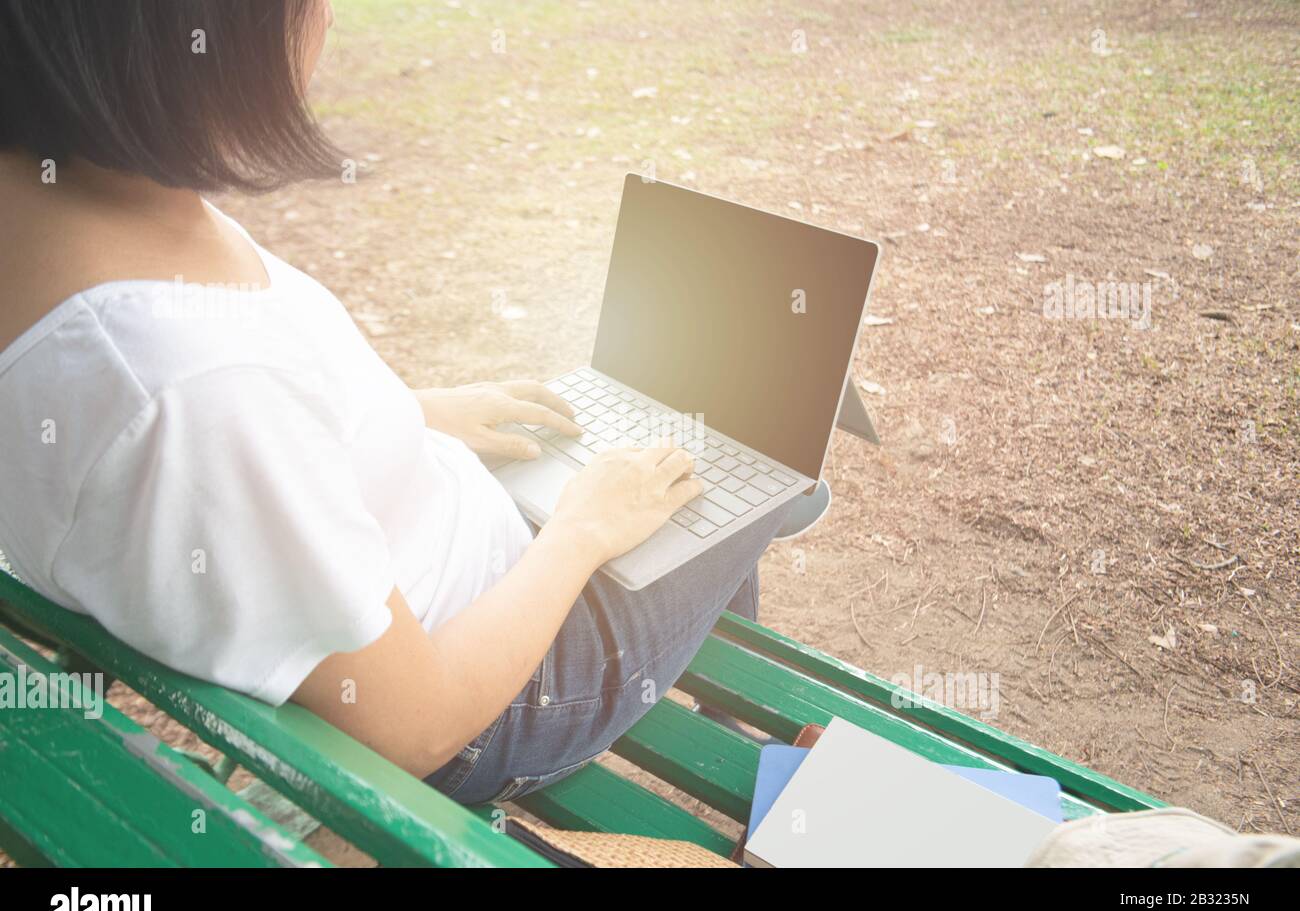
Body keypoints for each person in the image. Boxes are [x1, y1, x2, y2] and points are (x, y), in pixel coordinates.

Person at [0, 0, 789, 805]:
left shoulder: (60, 195)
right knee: (738, 460)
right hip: (501, 700)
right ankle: (744, 727)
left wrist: (409, 413)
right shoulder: (193, 386)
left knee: (677, 471)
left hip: (430, 559)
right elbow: (419, 725)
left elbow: (234, 452)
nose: (330, 13)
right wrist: (582, 529)